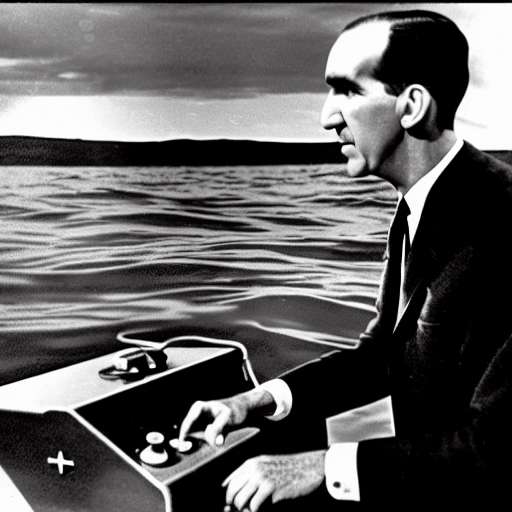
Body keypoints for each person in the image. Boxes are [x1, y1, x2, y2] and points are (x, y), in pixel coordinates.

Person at [179, 9, 512, 511]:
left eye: (347, 91)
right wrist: (256, 400)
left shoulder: (504, 222)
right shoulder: (421, 206)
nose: (327, 117)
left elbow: (499, 448)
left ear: (412, 106)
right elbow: (383, 355)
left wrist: (324, 467)